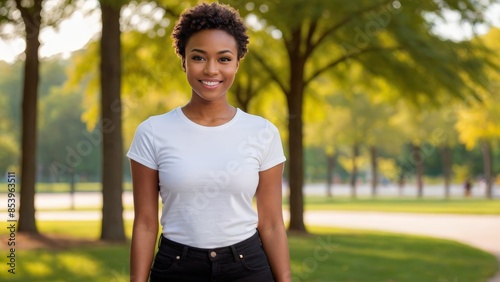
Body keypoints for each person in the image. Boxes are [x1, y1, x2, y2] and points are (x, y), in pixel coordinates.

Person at [127, 2, 291, 282]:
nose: (211, 70)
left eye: (224, 59)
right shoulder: (153, 131)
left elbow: (273, 224)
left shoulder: (263, 132)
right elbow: (144, 224)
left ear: (237, 63)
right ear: (183, 60)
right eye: (199, 57)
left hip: (247, 267)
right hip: (176, 267)